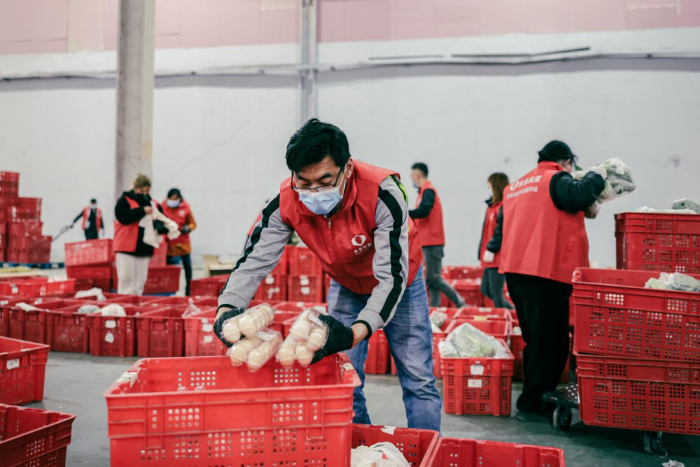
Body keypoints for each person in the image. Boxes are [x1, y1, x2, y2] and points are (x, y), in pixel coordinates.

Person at [214, 119, 441, 431]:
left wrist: (356, 331)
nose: (313, 192)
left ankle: (425, 451)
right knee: (345, 377)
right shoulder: (287, 201)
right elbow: (254, 260)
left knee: (417, 378)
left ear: (347, 169)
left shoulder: (383, 192)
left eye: (324, 180)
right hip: (347, 284)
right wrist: (227, 308)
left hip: (400, 285)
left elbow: (392, 277)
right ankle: (360, 451)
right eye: (304, 183)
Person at [499, 140, 605, 422]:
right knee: (552, 343)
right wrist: (597, 174)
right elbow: (580, 194)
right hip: (544, 273)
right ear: (566, 162)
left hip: (517, 271)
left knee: (536, 339)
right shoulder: (555, 179)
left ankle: (533, 398)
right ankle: (532, 404)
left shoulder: (518, 186)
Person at [409, 163, 466, 308]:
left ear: (419, 175)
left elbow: (424, 211)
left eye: (412, 176)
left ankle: (460, 303)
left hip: (433, 243)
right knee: (430, 280)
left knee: (434, 277)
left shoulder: (429, 191)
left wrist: (405, 213)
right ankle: (434, 308)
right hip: (427, 242)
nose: (411, 179)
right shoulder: (423, 192)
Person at [114, 174, 167, 295]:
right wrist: (142, 211)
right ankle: (125, 306)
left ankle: (136, 307)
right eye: (141, 190)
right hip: (126, 247)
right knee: (126, 280)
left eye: (146, 190)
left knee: (140, 282)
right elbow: (123, 217)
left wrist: (166, 227)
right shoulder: (124, 201)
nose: (144, 192)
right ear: (135, 187)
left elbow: (161, 224)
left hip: (144, 248)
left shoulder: (153, 204)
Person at [478, 173, 514, 310]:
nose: (488, 189)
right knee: (485, 289)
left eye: (490, 186)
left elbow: (501, 231)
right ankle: (513, 312)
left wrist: (492, 248)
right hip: (489, 256)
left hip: (498, 257)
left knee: (496, 292)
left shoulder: (504, 207)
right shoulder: (492, 207)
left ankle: (506, 318)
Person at [162, 188, 197, 296]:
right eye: (171, 199)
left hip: (183, 243)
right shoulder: (163, 207)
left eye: (175, 199)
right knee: (168, 269)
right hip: (168, 244)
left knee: (187, 269)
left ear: (179, 199)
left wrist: (188, 228)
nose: (173, 201)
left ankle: (188, 290)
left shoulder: (186, 208)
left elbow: (193, 223)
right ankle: (168, 290)